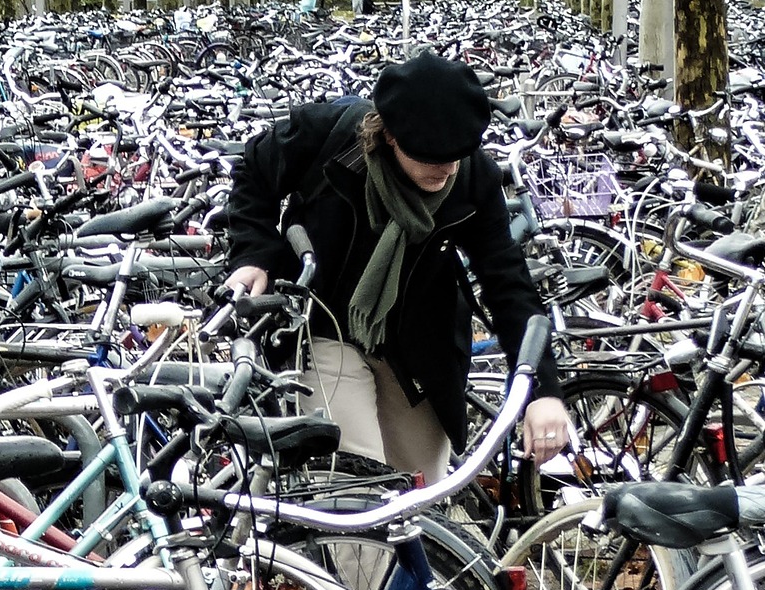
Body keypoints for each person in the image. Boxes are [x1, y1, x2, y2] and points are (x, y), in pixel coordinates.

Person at [224, 51, 569, 484]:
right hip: (323, 326)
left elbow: (508, 283)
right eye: (430, 156)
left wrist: (542, 391)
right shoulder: (329, 136)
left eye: (456, 154)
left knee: (421, 493)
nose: (445, 168)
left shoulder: (471, 177)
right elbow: (253, 170)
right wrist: (255, 255)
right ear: (389, 137)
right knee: (358, 487)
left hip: (417, 350)